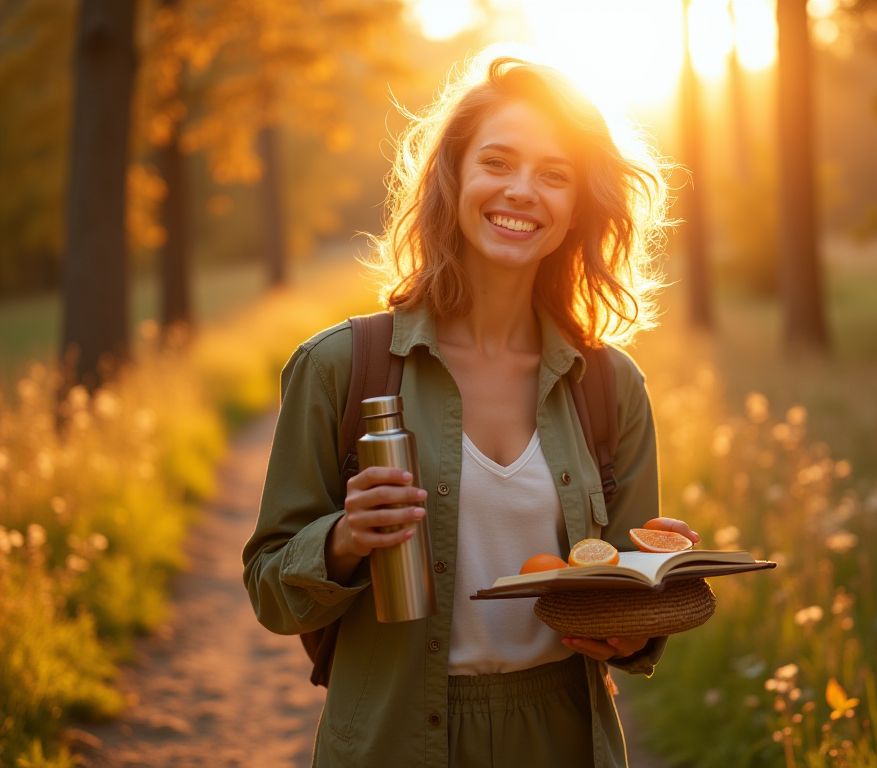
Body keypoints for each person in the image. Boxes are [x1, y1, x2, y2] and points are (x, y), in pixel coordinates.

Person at [242, 55, 700, 767]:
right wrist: (344, 539)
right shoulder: (339, 364)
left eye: (555, 175)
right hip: (394, 735)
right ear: (454, 177)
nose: (523, 191)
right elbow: (272, 589)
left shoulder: (609, 384)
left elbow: (625, 600)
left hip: (563, 739)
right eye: (498, 162)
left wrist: (642, 616)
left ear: (578, 204)